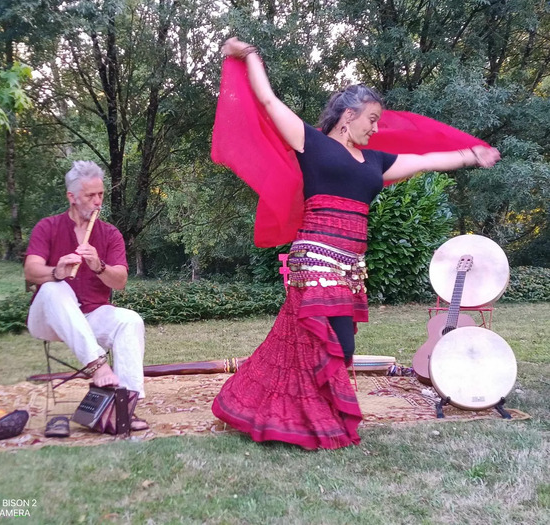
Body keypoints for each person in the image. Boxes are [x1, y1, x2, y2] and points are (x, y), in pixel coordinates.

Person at [211, 37, 500, 450]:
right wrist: (251, 55)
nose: (377, 127)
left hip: (350, 268)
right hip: (314, 258)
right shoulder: (311, 143)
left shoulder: (378, 162)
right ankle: (305, 414)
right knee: (334, 342)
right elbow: (270, 103)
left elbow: (427, 160)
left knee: (320, 345)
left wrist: (472, 155)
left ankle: (293, 412)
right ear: (348, 116)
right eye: (372, 119)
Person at [24, 160, 148, 430]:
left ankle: (124, 407)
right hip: (48, 319)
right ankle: (97, 365)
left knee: (130, 320)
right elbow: (31, 271)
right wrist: (56, 272)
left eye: (101, 194)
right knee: (54, 288)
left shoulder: (109, 234)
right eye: (90, 196)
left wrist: (98, 266)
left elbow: (121, 281)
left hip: (90, 316)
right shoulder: (48, 227)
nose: (97, 202)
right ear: (72, 197)